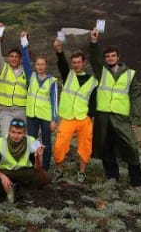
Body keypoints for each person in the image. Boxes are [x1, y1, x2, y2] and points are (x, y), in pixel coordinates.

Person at [90, 28, 141, 190]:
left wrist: (135, 117)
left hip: (121, 117)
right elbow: (94, 59)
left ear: (118, 57)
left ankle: (137, 181)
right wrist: (94, 42)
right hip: (104, 117)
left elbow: (135, 96)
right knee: (106, 148)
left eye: (113, 55)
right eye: (107, 56)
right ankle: (112, 176)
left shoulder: (130, 74)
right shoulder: (102, 72)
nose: (110, 58)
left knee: (131, 147)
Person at [52, 39, 97, 183]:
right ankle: (59, 170)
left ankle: (82, 172)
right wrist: (59, 50)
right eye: (74, 62)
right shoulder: (68, 75)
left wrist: (90, 116)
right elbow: (61, 64)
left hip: (84, 118)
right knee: (60, 145)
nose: (76, 64)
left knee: (85, 146)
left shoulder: (92, 81)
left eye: (79, 62)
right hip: (67, 117)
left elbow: (93, 101)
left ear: (84, 63)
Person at [0, 118, 49, 204]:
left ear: (24, 133)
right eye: (13, 132)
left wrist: (38, 156)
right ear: (9, 131)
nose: (16, 136)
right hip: (6, 172)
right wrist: (2, 176)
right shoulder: (0, 142)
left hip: (24, 172)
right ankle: (9, 190)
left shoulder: (32, 141)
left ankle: (23, 188)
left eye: (19, 133)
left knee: (46, 177)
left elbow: (38, 168)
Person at [22, 31, 58, 171]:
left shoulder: (52, 81)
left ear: (46, 66)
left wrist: (54, 119)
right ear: (35, 65)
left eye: (43, 64)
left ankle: (45, 168)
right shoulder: (31, 77)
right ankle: (32, 166)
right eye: (38, 64)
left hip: (45, 117)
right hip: (32, 115)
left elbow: (55, 101)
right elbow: (25, 60)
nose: (40, 66)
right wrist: (24, 42)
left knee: (46, 143)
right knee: (32, 141)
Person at [0, 24, 28, 136]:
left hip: (22, 111)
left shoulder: (26, 72)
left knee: (22, 138)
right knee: (6, 138)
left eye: (16, 56)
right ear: (7, 58)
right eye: (11, 56)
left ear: (20, 59)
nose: (14, 58)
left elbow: (26, 54)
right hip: (6, 111)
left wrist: (24, 39)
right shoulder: (3, 68)